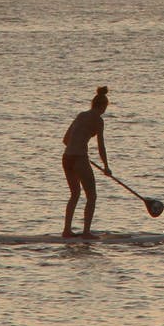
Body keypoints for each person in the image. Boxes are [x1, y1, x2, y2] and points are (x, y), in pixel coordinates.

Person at [62, 86, 110, 237]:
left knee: (75, 194)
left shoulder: (81, 115)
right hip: (79, 159)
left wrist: (78, 148)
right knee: (92, 196)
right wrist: (106, 167)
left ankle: (67, 231)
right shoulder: (98, 120)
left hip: (66, 158)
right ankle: (86, 232)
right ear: (103, 107)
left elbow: (65, 140)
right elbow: (101, 146)